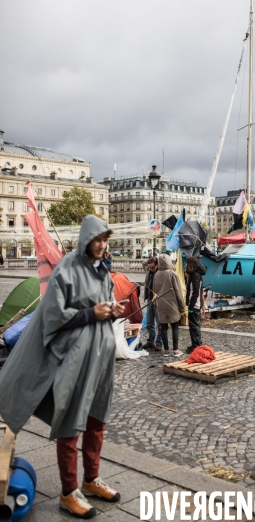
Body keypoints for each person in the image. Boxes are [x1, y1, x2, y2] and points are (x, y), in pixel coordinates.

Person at [0, 215, 126, 519]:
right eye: (96, 239)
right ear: (85, 240)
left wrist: (111, 311)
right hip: (74, 362)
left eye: (105, 240)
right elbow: (55, 315)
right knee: (71, 424)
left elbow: (100, 307)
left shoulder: (103, 272)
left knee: (98, 421)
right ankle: (69, 492)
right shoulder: (67, 270)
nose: (101, 245)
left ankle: (91, 479)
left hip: (101, 361)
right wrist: (91, 314)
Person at [152, 254, 185, 357]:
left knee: (163, 327)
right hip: (172, 303)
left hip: (161, 304)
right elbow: (178, 291)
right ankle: (175, 350)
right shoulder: (172, 274)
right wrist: (182, 306)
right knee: (175, 326)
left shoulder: (156, 274)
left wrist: (155, 303)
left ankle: (166, 350)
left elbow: (154, 291)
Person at [185, 256, 207, 354]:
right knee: (193, 326)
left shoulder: (195, 276)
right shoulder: (193, 275)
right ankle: (195, 344)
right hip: (194, 304)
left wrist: (191, 306)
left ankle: (197, 345)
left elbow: (195, 292)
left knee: (195, 326)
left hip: (195, 305)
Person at [143, 257, 163, 351]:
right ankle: (150, 341)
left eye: (152, 268)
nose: (150, 269)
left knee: (159, 323)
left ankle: (159, 343)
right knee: (149, 322)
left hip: (158, 300)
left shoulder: (160, 273)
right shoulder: (148, 271)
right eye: (149, 267)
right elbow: (144, 264)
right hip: (149, 299)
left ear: (157, 265)